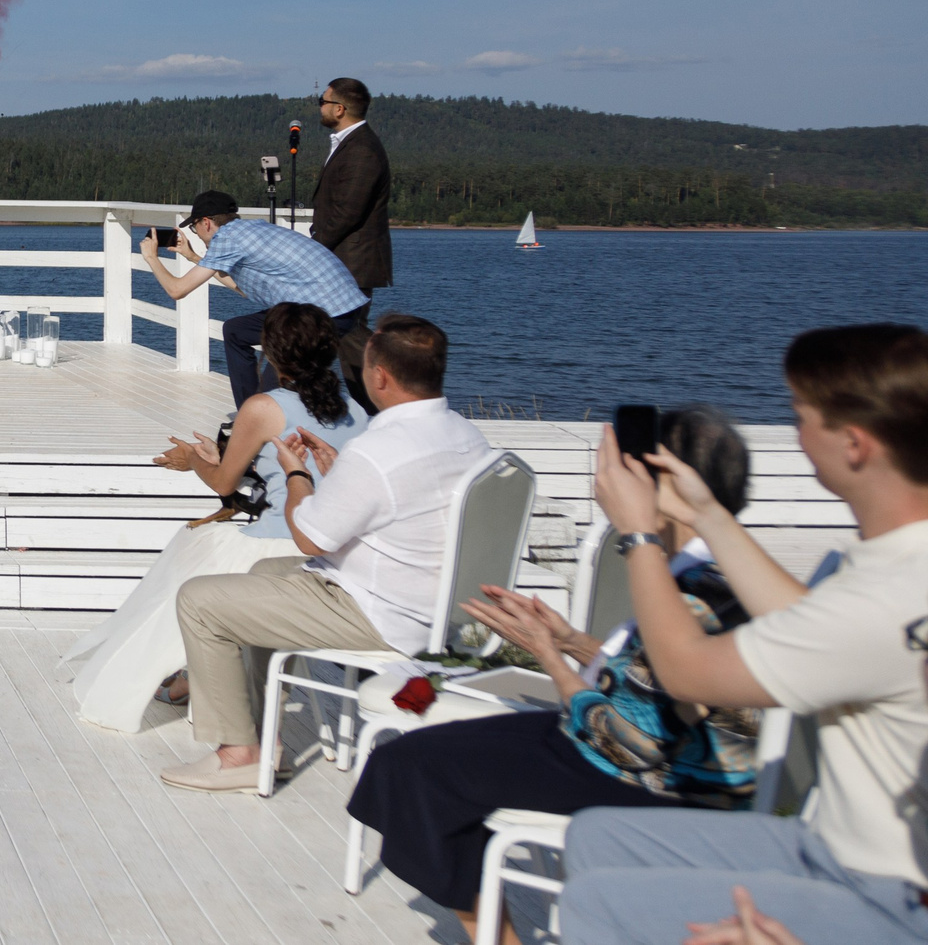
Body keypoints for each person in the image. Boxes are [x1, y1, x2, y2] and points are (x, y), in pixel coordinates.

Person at [555, 324, 928, 945]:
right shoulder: (898, 562)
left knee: (598, 903)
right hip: (835, 847)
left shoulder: (887, 596)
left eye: (801, 416)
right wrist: (706, 513)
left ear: (855, 444)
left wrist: (640, 534)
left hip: (891, 893)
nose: (797, 434)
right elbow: (806, 621)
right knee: (598, 835)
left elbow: (686, 671)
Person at [347, 405, 762, 943]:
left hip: (651, 780)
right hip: (639, 748)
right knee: (420, 757)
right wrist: (569, 642)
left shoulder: (691, 595)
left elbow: (629, 744)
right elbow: (657, 681)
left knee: (412, 768)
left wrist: (549, 658)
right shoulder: (719, 576)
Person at [162, 314, 492, 792]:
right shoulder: (465, 435)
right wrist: (337, 469)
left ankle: (238, 753)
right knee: (265, 570)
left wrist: (297, 474)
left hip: (385, 613)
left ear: (380, 376)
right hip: (438, 604)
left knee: (199, 599)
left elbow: (311, 538)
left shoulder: (381, 448)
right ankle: (262, 734)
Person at [63, 302, 369, 732]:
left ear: (273, 354)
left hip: (277, 543)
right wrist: (223, 458)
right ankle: (193, 672)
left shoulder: (264, 406)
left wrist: (195, 460)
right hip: (328, 549)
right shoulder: (356, 411)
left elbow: (225, 484)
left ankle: (191, 674)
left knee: (187, 553)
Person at [140, 189, 371, 409]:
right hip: (339, 306)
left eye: (194, 227)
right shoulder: (250, 230)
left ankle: (263, 422)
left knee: (276, 388)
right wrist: (192, 256)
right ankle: (248, 414)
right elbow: (239, 287)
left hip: (322, 316)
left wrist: (151, 258)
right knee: (236, 330)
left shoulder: (226, 239)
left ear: (206, 222)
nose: (196, 233)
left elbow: (177, 290)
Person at [307, 78, 392, 409]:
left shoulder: (362, 149)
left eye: (323, 101)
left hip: (353, 263)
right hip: (343, 261)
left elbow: (347, 212)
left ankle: (388, 403)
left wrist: (313, 249)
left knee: (350, 336)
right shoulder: (349, 143)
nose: (320, 107)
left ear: (339, 109)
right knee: (343, 338)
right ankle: (370, 411)